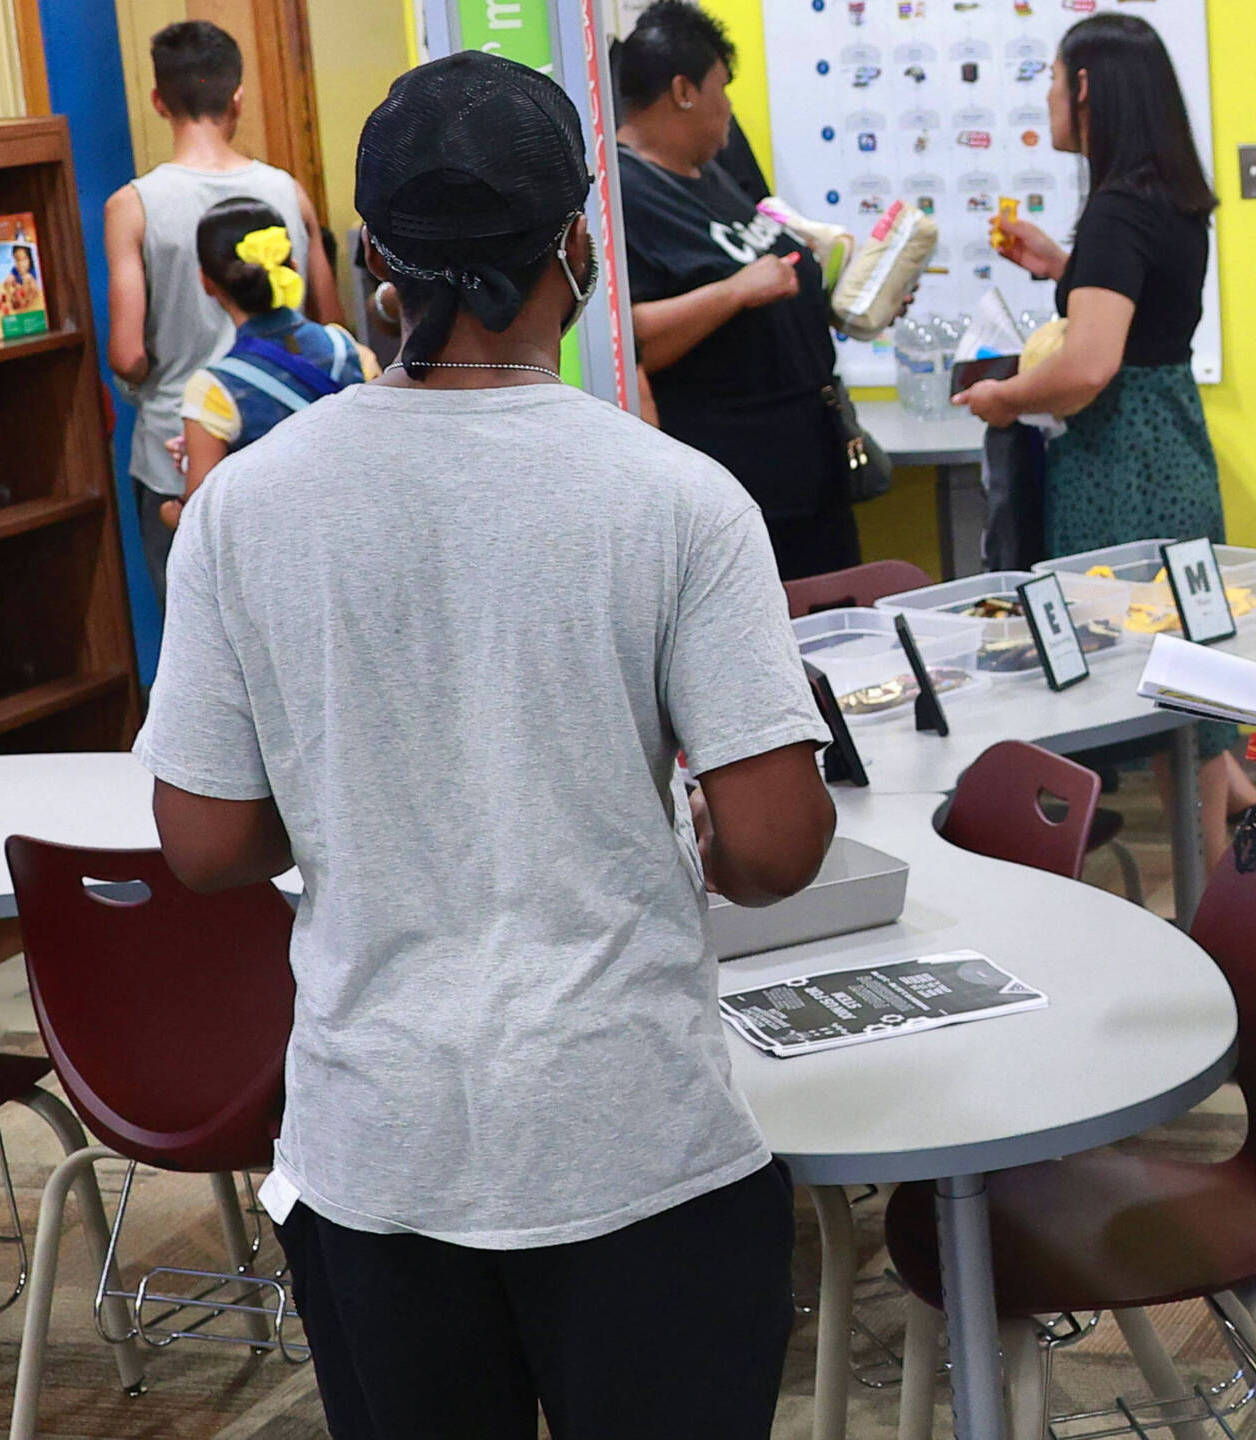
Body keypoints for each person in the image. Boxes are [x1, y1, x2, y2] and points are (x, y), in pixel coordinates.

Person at [136, 52, 836, 1438]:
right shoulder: (678, 499)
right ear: (577, 248)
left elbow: (204, 839)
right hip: (633, 1140)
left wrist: (362, 791)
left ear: (371, 264)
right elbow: (773, 846)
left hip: (377, 1148)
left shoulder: (244, 507)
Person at [957, 13, 1249, 866]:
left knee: (1155, 699)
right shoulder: (1166, 197)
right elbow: (1140, 308)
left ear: (1086, 89)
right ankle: (1242, 877)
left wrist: (1004, 398)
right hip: (1172, 455)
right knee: (1193, 704)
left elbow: (1087, 367)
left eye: (1052, 80)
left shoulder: (1120, 209)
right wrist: (1062, 268)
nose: (1045, 97)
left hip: (1124, 467)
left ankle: (1213, 910)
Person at [615, 0, 864, 578]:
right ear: (684, 91)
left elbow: (771, 286)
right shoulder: (624, 194)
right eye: (722, 88)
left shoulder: (712, 171)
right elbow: (629, 340)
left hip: (809, 466)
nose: (728, 108)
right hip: (742, 482)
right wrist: (735, 292)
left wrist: (848, 299)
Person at [104, 19, 339, 604]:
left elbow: (129, 355)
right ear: (237, 96)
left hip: (176, 456)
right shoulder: (288, 192)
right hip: (292, 445)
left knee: (203, 629)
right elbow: (331, 320)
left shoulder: (132, 206)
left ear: (159, 101)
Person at [159, 199, 378, 528]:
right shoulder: (350, 350)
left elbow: (201, 521)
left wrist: (170, 511)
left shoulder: (213, 390)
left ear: (206, 281)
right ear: (292, 264)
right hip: (360, 533)